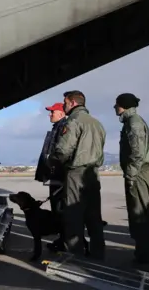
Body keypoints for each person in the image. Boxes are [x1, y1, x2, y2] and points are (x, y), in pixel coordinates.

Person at [49, 90, 106, 260]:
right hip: (93, 173)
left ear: (73, 103)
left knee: (73, 215)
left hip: (76, 173)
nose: (64, 105)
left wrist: (53, 161)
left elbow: (63, 150)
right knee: (94, 216)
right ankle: (98, 253)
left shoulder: (73, 121)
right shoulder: (97, 123)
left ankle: (74, 254)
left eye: (65, 102)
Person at [114, 93, 149, 273]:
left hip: (139, 174)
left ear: (123, 106)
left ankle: (146, 259)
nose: (114, 108)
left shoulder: (134, 123)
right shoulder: (132, 121)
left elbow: (137, 152)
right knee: (139, 215)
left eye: (116, 105)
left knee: (142, 217)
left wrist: (131, 175)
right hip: (140, 173)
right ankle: (142, 254)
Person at [35, 102, 68, 214]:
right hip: (54, 173)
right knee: (55, 203)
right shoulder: (57, 127)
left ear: (61, 113)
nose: (50, 114)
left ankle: (62, 229)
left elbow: (62, 152)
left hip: (58, 174)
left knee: (59, 204)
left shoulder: (63, 127)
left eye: (52, 112)